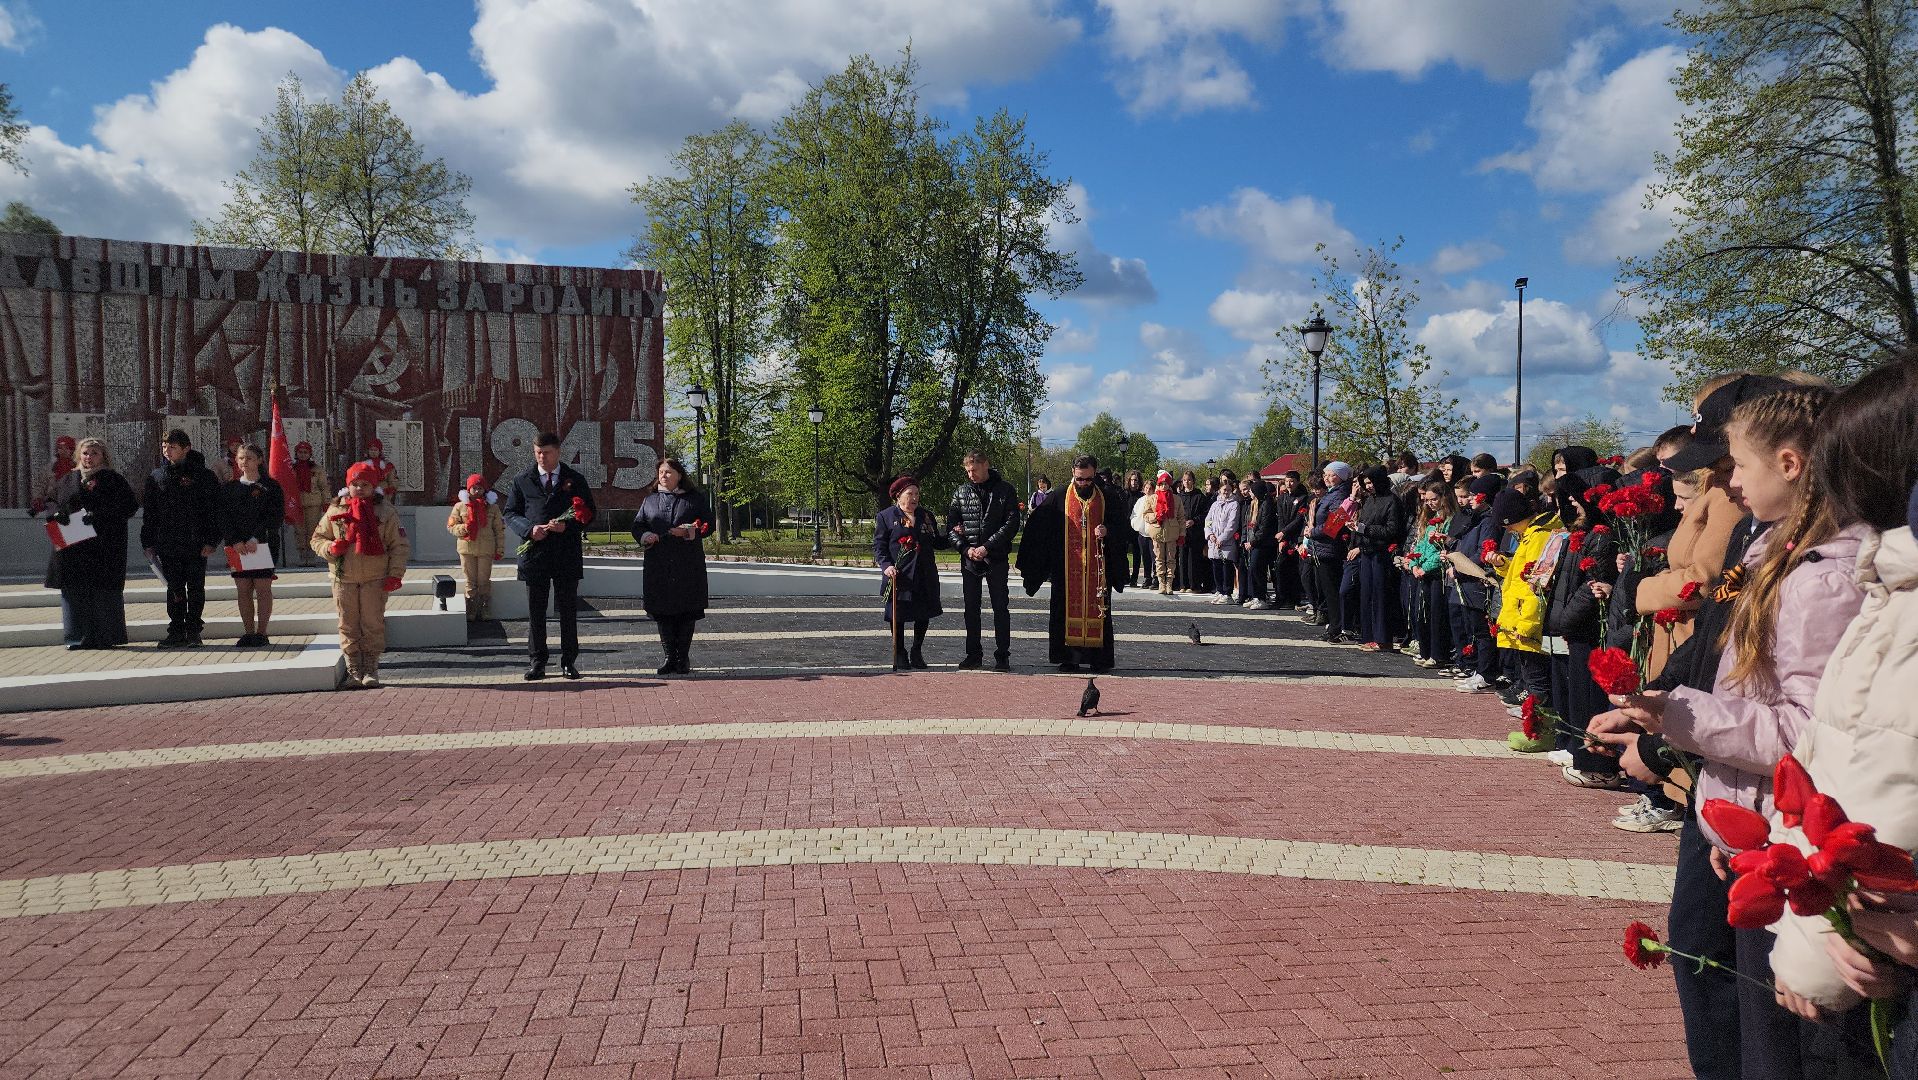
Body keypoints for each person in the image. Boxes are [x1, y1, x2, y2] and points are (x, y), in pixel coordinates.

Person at [1597, 384, 1877, 1079]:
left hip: (1788, 835)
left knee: (1788, 1042)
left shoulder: (1821, 575)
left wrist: (1675, 718)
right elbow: (1733, 670)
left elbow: (1806, 731)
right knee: (1756, 1024)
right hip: (1754, 825)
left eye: (1738, 465)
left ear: (1789, 463)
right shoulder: (1775, 552)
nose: (1731, 484)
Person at [1762, 360, 1918, 1074]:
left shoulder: (1900, 609)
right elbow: (1824, 760)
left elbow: (1881, 793)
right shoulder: (1889, 589)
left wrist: (1812, 953)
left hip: (1867, 947)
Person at [1017, 455, 1129, 672]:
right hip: (1066, 569)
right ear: (1073, 473)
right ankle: (1069, 658)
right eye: (1079, 479)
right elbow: (1038, 527)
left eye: (1088, 479)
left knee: (1099, 611)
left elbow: (1123, 527)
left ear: (1094, 474)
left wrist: (1108, 530)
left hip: (1098, 570)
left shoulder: (1107, 497)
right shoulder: (1059, 497)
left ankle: (1099, 659)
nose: (1083, 483)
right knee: (1064, 612)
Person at [505, 431, 596, 681]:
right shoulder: (522, 479)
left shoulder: (574, 479)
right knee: (536, 611)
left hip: (565, 554)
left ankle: (568, 662)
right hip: (535, 554)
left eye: (546, 453)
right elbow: (510, 513)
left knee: (567, 610)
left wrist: (567, 526)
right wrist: (529, 529)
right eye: (538, 453)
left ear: (558, 452)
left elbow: (589, 513)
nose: (542, 457)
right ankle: (537, 662)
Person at [312, 461, 410, 688]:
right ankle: (353, 669)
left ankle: (370, 668)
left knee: (372, 623)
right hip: (343, 578)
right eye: (355, 484)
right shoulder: (336, 510)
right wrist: (330, 548)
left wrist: (395, 574)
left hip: (375, 578)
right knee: (347, 624)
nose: (359, 488)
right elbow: (317, 539)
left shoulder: (385, 511)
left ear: (374, 486)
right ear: (348, 485)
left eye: (365, 484)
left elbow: (399, 546)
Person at [42, 437, 138, 650]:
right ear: (78, 455)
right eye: (85, 453)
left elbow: (129, 506)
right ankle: (76, 637)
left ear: (103, 456)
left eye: (94, 453)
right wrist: (57, 513)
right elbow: (51, 501)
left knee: (102, 593)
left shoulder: (113, 479)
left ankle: (105, 637)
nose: (89, 457)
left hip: (103, 547)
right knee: (74, 591)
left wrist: (100, 514)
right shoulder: (67, 479)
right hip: (73, 546)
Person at [140, 428, 222, 649]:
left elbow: (214, 511)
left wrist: (212, 540)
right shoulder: (157, 476)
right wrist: (148, 543)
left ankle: (193, 630)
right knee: (174, 588)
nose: (167, 451)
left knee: (195, 587)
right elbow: (150, 514)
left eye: (173, 447)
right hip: (168, 543)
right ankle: (176, 630)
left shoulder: (203, 476)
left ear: (186, 449)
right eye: (164, 446)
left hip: (196, 543)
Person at [634, 457, 713, 675]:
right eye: (661, 472)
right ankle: (669, 657)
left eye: (668, 472)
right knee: (663, 612)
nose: (664, 476)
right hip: (658, 565)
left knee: (686, 611)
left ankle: (682, 658)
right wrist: (645, 535)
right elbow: (637, 525)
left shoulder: (694, 498)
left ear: (679, 475)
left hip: (687, 565)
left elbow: (708, 525)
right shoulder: (650, 500)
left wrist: (689, 531)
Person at [947, 449, 1021, 670]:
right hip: (970, 558)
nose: (971, 475)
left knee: (1000, 607)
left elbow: (1011, 524)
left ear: (986, 465)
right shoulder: (961, 492)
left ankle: (1002, 655)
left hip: (995, 557)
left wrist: (987, 547)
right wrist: (965, 549)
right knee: (971, 608)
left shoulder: (1005, 490)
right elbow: (951, 527)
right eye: (968, 471)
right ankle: (973, 654)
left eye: (975, 470)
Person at [878, 475, 948, 671]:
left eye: (917, 494)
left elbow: (936, 541)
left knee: (923, 613)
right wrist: (886, 566)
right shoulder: (886, 517)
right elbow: (880, 546)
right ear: (899, 496)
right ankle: (900, 652)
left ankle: (917, 651)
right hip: (900, 575)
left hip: (924, 573)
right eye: (910, 494)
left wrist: (954, 535)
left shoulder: (926, 516)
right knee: (898, 615)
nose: (914, 498)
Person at [219, 444, 286, 647]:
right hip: (238, 546)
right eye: (241, 458)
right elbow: (223, 517)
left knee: (262, 588)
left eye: (249, 458)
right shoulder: (230, 488)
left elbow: (274, 516)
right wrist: (234, 540)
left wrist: (255, 539)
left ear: (259, 460)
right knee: (243, 589)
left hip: (262, 544)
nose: (244, 462)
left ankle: (261, 633)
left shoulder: (271, 487)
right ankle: (248, 632)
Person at [1349, 467, 1407, 651]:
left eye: (1371, 482)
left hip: (1382, 554)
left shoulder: (1392, 501)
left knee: (1381, 596)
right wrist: (1357, 528)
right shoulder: (1369, 500)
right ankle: (1369, 635)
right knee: (1367, 595)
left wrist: (1365, 529)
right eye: (1366, 483)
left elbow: (1392, 530)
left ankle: (1383, 638)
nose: (1369, 486)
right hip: (1367, 551)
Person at [446, 474, 506, 622]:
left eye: (480, 488)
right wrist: (465, 528)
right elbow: (451, 526)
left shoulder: (493, 508)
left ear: (485, 490)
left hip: (486, 549)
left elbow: (499, 529)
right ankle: (471, 607)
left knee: (483, 580)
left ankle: (485, 607)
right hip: (466, 549)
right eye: (474, 488)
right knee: (470, 581)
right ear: (468, 489)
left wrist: (500, 549)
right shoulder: (460, 506)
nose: (477, 491)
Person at [1308, 462, 1354, 641]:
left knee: (1332, 591)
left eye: (1331, 475)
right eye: (1325, 475)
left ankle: (1337, 627)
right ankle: (1334, 625)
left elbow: (1335, 524)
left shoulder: (1339, 495)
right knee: (1328, 591)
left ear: (1340, 477)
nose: (1326, 478)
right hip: (1322, 548)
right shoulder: (1331, 493)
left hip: (1330, 549)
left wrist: (1313, 532)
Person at [1239, 476, 1277, 609]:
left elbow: (1264, 528)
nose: (1250, 493)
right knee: (1252, 569)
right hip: (1255, 542)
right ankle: (1255, 596)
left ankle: (1261, 597)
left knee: (1257, 568)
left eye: (1251, 491)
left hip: (1262, 544)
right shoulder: (1256, 504)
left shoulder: (1267, 505)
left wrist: (1253, 542)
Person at [1204, 468, 1240, 604]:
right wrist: (1210, 534)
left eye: (1228, 490)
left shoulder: (1234, 504)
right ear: (1219, 490)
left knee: (1226, 568)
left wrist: (1221, 538)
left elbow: (1232, 524)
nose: (1226, 492)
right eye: (1224, 489)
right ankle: (1219, 590)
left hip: (1226, 543)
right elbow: (1208, 521)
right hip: (1214, 542)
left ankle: (1227, 593)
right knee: (1216, 567)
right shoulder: (1215, 504)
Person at [292, 441, 330, 566]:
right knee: (299, 530)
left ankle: (311, 555)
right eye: (300, 452)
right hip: (297, 504)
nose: (303, 455)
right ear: (296, 453)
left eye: (305, 452)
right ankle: (302, 555)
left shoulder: (317, 469)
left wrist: (326, 502)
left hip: (313, 503)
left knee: (312, 530)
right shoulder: (291, 469)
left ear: (310, 454)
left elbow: (323, 486)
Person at [1175, 471, 1209, 593]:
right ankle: (1183, 585)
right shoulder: (1179, 497)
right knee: (1182, 558)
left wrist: (1194, 521)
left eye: (1189, 480)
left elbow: (1205, 514)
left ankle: (1194, 585)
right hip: (1182, 532)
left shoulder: (1200, 497)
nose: (1187, 482)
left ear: (1193, 481)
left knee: (1193, 559)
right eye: (1184, 480)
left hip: (1196, 532)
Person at [30, 435, 77, 516]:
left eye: (67, 448)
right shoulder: (50, 468)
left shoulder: (78, 467)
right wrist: (38, 499)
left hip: (74, 506)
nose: (63, 451)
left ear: (72, 450)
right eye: (60, 448)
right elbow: (40, 485)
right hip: (53, 507)